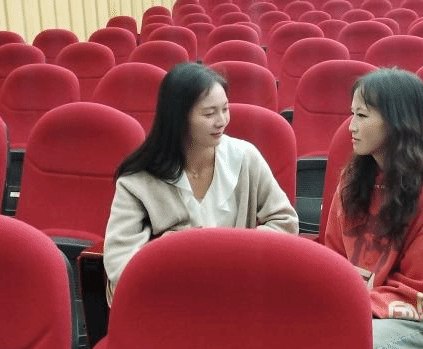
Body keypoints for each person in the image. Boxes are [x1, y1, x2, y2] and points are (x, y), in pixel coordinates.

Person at [104, 63, 298, 302]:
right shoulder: (139, 179)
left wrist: (233, 250)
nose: (222, 121)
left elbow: (285, 222)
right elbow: (119, 261)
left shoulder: (244, 157)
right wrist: (171, 254)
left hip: (237, 289)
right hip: (169, 299)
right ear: (178, 118)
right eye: (209, 114)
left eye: (225, 109)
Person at [324, 68, 423, 349]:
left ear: (396, 122)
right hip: (354, 307)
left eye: (362, 116)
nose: (351, 126)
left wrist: (350, 305)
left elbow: (422, 289)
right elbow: (333, 257)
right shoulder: (352, 179)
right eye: (352, 114)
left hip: (417, 316)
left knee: (336, 348)